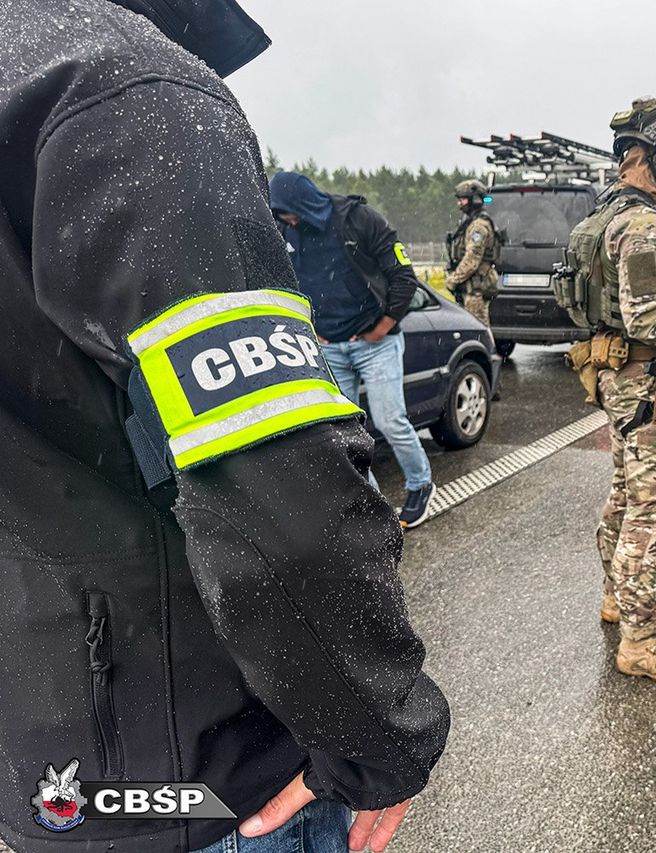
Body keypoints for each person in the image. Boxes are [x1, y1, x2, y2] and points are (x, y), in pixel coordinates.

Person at [0, 3, 449, 852]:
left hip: (51, 769)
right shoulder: (128, 90)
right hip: (208, 781)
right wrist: (383, 737)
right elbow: (285, 513)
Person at [562, 97, 656, 685]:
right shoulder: (645, 223)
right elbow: (647, 316)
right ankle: (641, 640)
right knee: (653, 507)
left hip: (613, 375)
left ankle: (617, 598)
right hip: (649, 379)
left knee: (626, 493)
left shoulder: (598, 219)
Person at [269, 170, 436, 528]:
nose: (288, 219)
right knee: (344, 433)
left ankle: (421, 483)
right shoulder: (285, 231)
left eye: (290, 212)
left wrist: (382, 327)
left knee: (390, 420)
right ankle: (371, 501)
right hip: (328, 347)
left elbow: (404, 277)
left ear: (306, 201)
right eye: (281, 214)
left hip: (375, 343)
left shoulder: (359, 220)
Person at [446, 179, 502, 329]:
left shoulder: (479, 226)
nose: (460, 204)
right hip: (470, 288)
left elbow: (472, 259)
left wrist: (453, 280)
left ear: (475, 200)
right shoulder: (470, 222)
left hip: (476, 288)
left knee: (477, 329)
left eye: (463, 199)